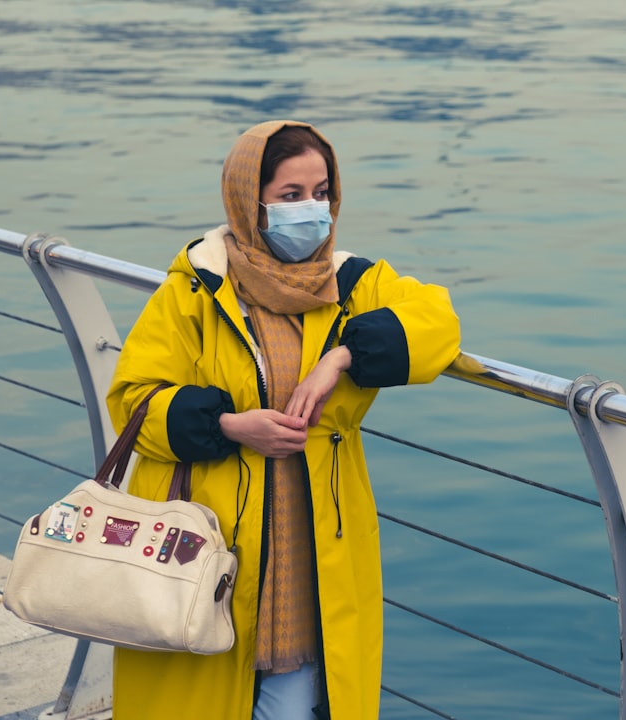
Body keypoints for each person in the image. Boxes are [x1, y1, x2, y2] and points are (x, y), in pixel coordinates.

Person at [106, 120, 462, 720]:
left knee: (301, 687)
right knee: (201, 688)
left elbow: (438, 323)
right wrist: (228, 426)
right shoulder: (196, 287)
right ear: (252, 200)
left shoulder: (352, 283)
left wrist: (344, 356)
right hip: (205, 538)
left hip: (314, 537)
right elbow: (133, 402)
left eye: (322, 193)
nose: (312, 210)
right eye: (291, 195)